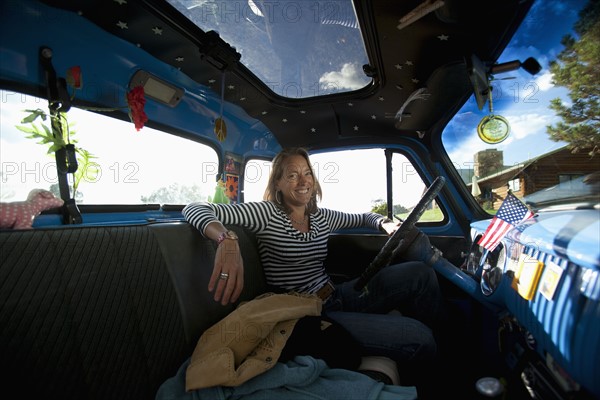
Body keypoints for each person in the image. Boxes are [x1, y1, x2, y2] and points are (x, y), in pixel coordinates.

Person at [182, 147, 443, 389]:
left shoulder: (320, 216)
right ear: (278, 184)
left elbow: (365, 216)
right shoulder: (266, 213)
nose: (303, 181)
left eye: (307, 173)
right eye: (292, 175)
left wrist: (386, 225)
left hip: (338, 294)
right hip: (308, 313)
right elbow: (195, 208)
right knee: (419, 338)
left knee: (421, 274)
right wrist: (225, 239)